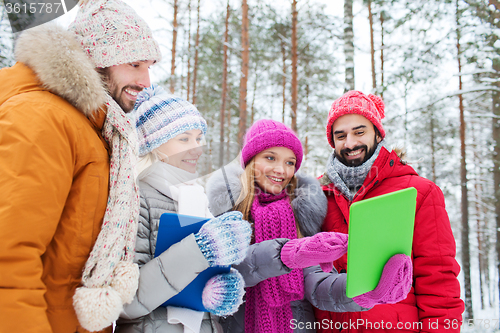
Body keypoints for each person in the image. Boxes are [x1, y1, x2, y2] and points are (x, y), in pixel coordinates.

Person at [0, 0, 161, 332]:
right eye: (133, 64)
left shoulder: (98, 132)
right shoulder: (42, 119)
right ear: (96, 62)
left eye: (150, 65)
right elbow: (9, 256)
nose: (146, 80)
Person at [206, 119, 412, 333]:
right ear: (251, 160)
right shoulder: (224, 213)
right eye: (270, 158)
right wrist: (286, 254)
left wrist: (365, 292)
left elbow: (318, 285)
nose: (281, 170)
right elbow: (228, 270)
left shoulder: (299, 215)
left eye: (290, 162)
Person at [310, 90, 464, 333]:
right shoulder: (316, 195)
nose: (350, 143)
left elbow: (439, 282)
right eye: (341, 136)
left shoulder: (420, 192)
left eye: (359, 132)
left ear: (377, 133)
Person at [115, 84, 252, 333]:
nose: (197, 149)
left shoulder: (195, 197)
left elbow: (193, 274)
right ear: (155, 144)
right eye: (184, 139)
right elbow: (127, 301)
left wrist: (215, 293)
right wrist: (201, 250)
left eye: (199, 138)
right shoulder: (134, 197)